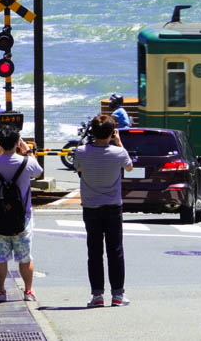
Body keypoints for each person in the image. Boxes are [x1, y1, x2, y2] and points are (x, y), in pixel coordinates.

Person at [74, 114, 135, 307]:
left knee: (94, 251)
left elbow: (79, 168)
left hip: (91, 207)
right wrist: (119, 142)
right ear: (111, 133)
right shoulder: (119, 153)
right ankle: (118, 295)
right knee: (115, 251)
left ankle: (97, 296)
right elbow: (130, 167)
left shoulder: (81, 151)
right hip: (113, 207)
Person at [0, 126, 42, 303]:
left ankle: (1, 291)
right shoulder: (26, 162)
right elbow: (38, 172)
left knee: (0, 258)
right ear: (18, 143)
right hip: (22, 217)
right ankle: (28, 291)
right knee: (25, 257)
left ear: (0, 143)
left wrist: (0, 152)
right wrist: (29, 151)